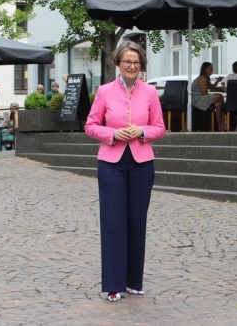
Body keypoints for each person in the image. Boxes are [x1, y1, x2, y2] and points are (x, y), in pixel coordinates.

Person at [85, 41, 166, 302]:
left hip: (142, 163)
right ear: (118, 63)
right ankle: (113, 284)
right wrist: (113, 133)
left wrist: (142, 131)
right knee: (113, 222)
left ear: (141, 65)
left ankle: (134, 281)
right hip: (111, 163)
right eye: (127, 61)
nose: (132, 66)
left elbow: (160, 128)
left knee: (136, 222)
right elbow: (91, 125)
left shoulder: (151, 92)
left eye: (136, 62)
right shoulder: (105, 91)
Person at [191, 62, 225, 131]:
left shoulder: (206, 78)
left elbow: (212, 87)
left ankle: (220, 126)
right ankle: (226, 120)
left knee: (218, 104)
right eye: (210, 68)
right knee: (219, 96)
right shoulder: (202, 78)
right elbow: (204, 93)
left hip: (201, 97)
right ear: (205, 69)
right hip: (197, 99)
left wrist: (218, 81)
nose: (212, 70)